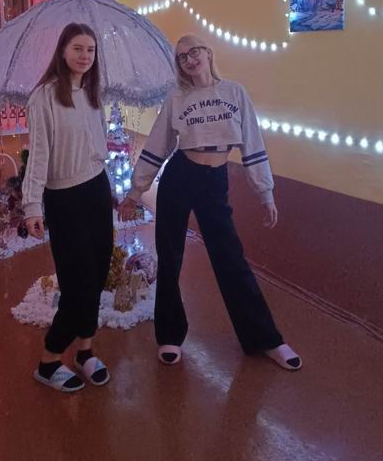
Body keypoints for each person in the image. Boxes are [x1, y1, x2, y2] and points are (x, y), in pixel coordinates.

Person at [118, 34, 301, 371]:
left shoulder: (235, 92)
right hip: (180, 176)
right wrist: (134, 192)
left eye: (194, 52)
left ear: (208, 53)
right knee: (170, 255)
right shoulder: (176, 98)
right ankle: (170, 335)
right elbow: (157, 147)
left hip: (215, 181)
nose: (190, 59)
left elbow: (252, 144)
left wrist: (265, 192)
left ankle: (265, 339)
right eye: (182, 56)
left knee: (230, 257)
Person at [23, 22, 113, 392]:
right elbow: (38, 154)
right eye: (78, 48)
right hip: (64, 197)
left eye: (90, 50)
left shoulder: (92, 93)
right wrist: (32, 205)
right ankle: (49, 361)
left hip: (96, 189)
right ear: (62, 50)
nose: (84, 56)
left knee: (99, 272)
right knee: (79, 283)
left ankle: (85, 351)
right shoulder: (44, 97)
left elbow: (98, 140)